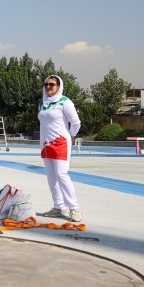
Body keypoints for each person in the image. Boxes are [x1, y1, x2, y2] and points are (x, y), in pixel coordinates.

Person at [38, 75, 82, 222]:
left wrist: (71, 135)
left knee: (61, 174)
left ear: (59, 86)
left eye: (52, 84)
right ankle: (59, 207)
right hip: (45, 144)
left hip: (60, 142)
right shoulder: (42, 103)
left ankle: (74, 208)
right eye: (46, 84)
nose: (48, 87)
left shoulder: (65, 102)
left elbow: (75, 122)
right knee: (51, 177)